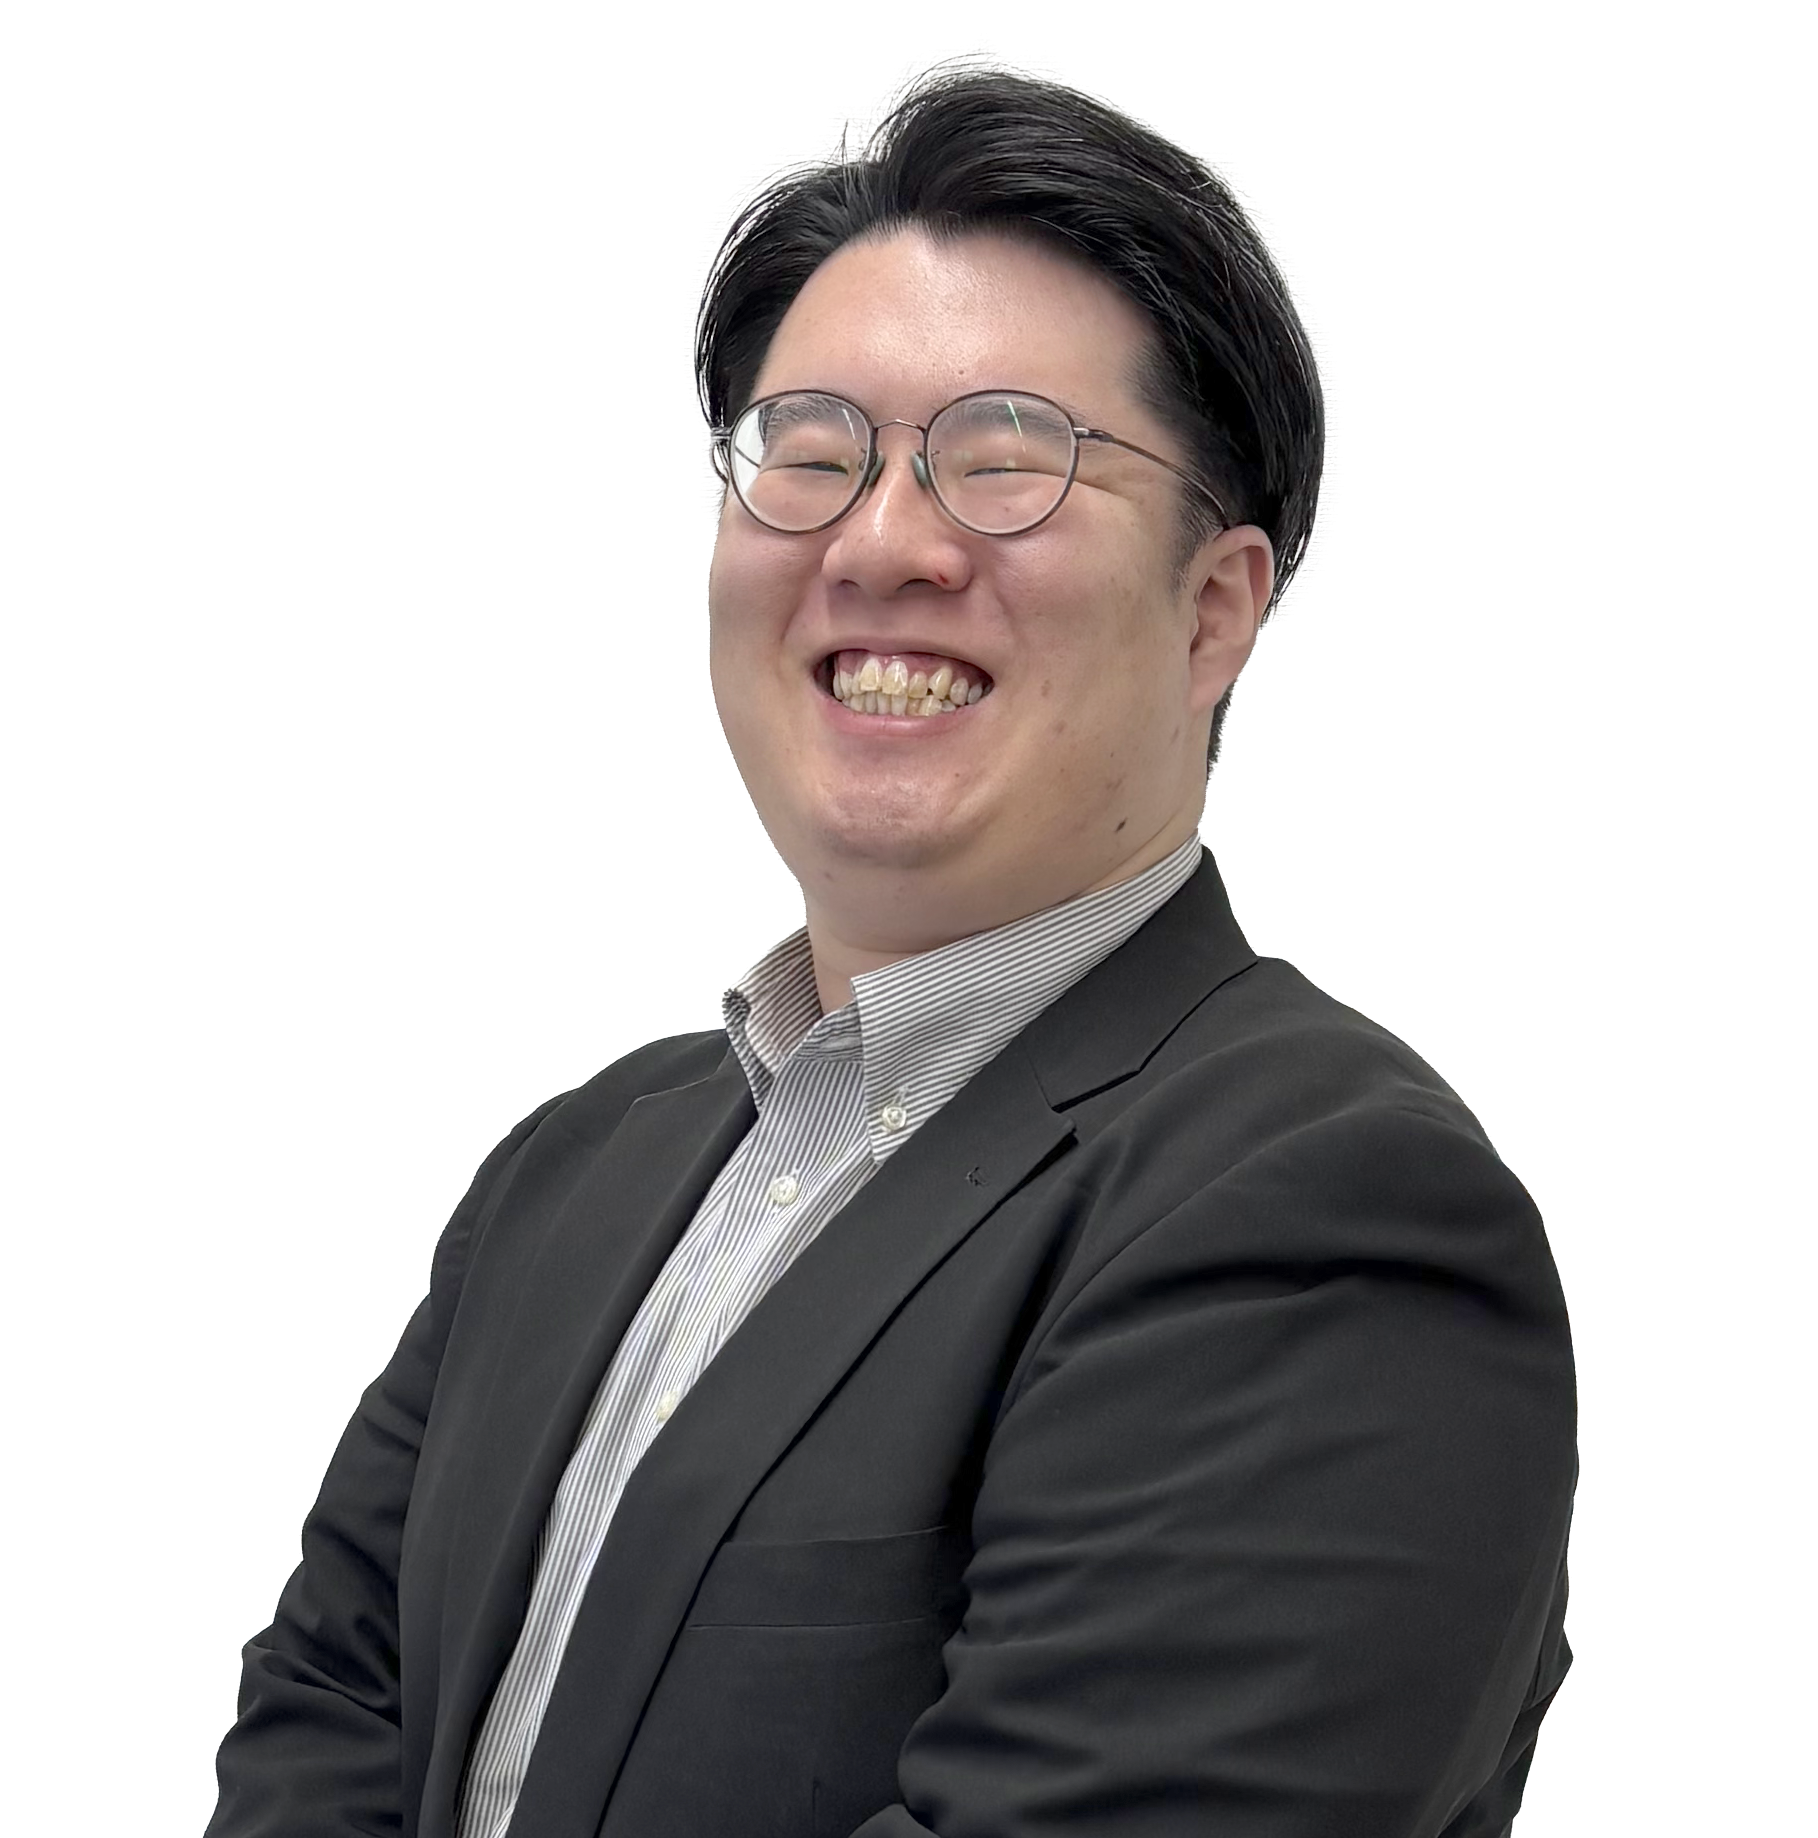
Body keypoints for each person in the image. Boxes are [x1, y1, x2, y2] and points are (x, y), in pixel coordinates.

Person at [208, 39, 1577, 1838]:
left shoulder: (1327, 1209)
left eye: (1005, 461)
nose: (882, 543)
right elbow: (327, 1708)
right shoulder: (571, 1166)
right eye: (808, 453)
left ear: (1213, 611)